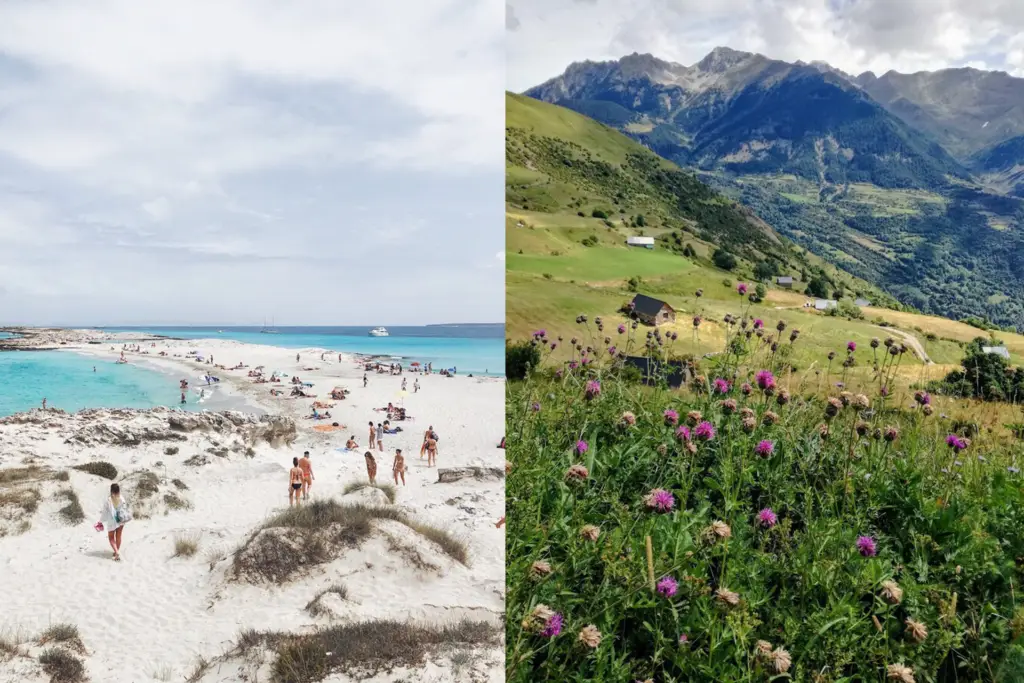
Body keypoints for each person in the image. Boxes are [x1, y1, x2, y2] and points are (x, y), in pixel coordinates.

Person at [98, 483, 131, 561]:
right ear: (119, 490)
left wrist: (101, 521)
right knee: (118, 536)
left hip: (112, 521)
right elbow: (124, 509)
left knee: (111, 537)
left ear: (111, 491)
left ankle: (116, 551)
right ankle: (117, 552)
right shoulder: (122, 498)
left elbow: (104, 513)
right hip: (121, 520)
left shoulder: (108, 500)